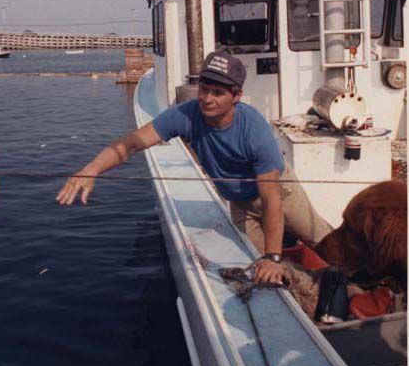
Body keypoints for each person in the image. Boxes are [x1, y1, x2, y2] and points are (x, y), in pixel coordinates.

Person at [57, 50, 333, 284]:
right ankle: (311, 290)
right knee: (259, 266)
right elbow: (131, 143)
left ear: (237, 96)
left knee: (322, 241)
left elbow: (272, 199)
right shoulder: (185, 115)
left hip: (278, 192)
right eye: (204, 89)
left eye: (218, 93)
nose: (207, 98)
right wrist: (91, 169)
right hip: (241, 203)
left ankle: (355, 283)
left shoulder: (254, 129)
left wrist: (273, 256)